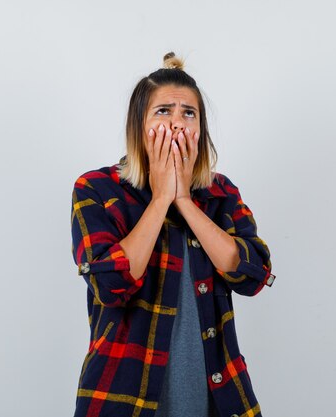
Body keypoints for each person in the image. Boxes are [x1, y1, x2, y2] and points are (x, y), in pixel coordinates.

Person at [70, 52, 276, 417]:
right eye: (163, 111)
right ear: (139, 125)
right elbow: (112, 285)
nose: (177, 124)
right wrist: (162, 197)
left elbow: (252, 275)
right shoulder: (96, 189)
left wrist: (183, 199)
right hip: (121, 397)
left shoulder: (220, 193)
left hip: (215, 394)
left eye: (189, 113)